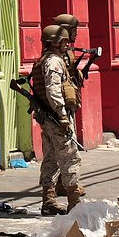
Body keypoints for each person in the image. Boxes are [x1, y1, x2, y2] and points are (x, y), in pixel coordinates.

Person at [32, 25, 84, 216]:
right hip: (56, 118)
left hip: (49, 118)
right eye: (63, 42)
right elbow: (53, 89)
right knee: (70, 157)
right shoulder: (53, 62)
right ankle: (74, 201)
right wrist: (62, 115)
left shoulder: (47, 60)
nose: (66, 45)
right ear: (55, 42)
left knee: (52, 159)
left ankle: (48, 200)